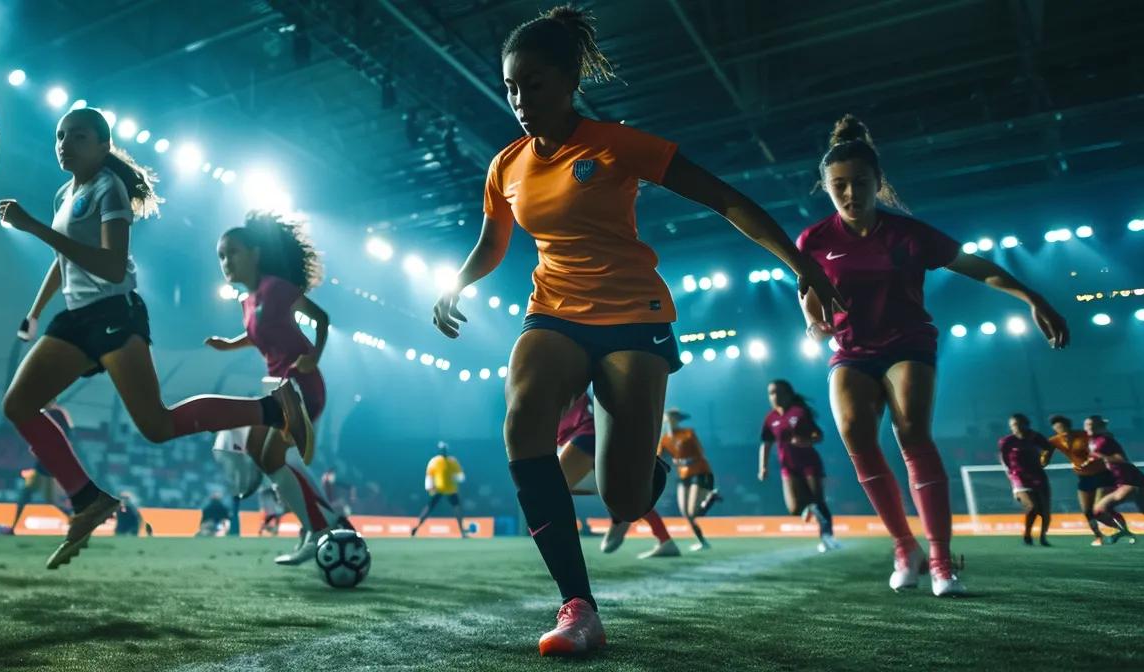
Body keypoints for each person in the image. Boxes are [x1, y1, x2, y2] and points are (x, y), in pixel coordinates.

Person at [429, 5, 844, 656]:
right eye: (511, 86)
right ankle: (578, 606)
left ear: (568, 82)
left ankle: (638, 463)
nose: (519, 99)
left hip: (633, 319)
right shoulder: (505, 165)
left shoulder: (614, 143)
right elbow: (492, 241)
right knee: (522, 419)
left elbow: (725, 197)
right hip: (555, 311)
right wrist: (457, 282)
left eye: (533, 84)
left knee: (625, 501)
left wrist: (803, 265)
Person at [0, 108, 313, 570]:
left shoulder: (109, 187)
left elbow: (108, 265)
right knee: (17, 404)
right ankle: (87, 500)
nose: (65, 143)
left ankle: (274, 409)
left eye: (78, 136)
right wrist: (35, 310)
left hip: (114, 313)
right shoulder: (67, 193)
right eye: (61, 136)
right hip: (75, 318)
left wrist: (35, 229)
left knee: (157, 426)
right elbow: (61, 261)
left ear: (103, 145)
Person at [799, 114, 1069, 597]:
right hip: (850, 349)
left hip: (907, 343)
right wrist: (813, 322)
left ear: (878, 183)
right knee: (855, 435)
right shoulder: (814, 240)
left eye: (860, 183)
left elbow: (976, 267)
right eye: (838, 185)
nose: (850, 193)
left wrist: (1034, 299)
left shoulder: (910, 235)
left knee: (911, 433)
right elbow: (809, 291)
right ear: (826, 187)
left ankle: (943, 563)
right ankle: (906, 548)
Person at [206, 210, 350, 564]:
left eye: (233, 252)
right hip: (279, 388)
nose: (226, 261)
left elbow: (321, 319)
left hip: (302, 385)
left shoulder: (277, 287)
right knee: (259, 451)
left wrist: (314, 355)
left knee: (272, 457)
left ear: (255, 253)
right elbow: (258, 334)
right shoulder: (247, 302)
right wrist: (229, 344)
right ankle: (322, 521)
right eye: (222, 256)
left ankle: (318, 527)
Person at [554, 392, 675, 557]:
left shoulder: (558, 379)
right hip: (588, 439)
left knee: (549, 489)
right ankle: (661, 537)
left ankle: (562, 556)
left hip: (584, 438)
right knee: (620, 489)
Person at [760, 380, 841, 554]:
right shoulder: (770, 418)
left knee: (819, 500)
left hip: (809, 463)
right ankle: (810, 508)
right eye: (771, 393)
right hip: (787, 467)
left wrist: (806, 441)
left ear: (788, 394)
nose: (774, 397)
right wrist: (763, 467)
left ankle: (827, 537)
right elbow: (766, 444)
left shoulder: (800, 412)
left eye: (778, 392)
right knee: (794, 509)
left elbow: (818, 435)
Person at [1043, 415, 1132, 545]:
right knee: (1087, 511)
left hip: (1102, 474)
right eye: (1057, 427)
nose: (1061, 429)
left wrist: (1106, 433)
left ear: (1068, 426)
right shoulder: (1054, 441)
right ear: (1054, 429)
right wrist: (1041, 462)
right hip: (1084, 478)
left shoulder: (1084, 434)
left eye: (1063, 426)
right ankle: (1099, 536)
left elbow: (1104, 438)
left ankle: (1123, 529)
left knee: (1099, 510)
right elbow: (1045, 457)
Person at [659, 408, 719, 550]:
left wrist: (683, 461)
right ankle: (702, 542)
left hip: (699, 471)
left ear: (678, 420)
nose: (670, 420)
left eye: (674, 417)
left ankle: (711, 498)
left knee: (692, 511)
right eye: (668, 417)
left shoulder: (688, 433)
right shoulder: (665, 439)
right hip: (683, 475)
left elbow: (700, 453)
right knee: (686, 513)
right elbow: (660, 457)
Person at [8, 403, 72, 533]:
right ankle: (13, 528)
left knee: (51, 500)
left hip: (50, 463)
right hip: (41, 463)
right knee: (26, 494)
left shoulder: (58, 413)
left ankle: (76, 521)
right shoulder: (41, 413)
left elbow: (67, 435)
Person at [998, 414, 1055, 546]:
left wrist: (1046, 459)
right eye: (1012, 425)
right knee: (1032, 506)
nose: (1015, 427)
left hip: (1038, 476)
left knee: (1044, 510)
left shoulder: (1035, 437)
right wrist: (1010, 474)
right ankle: (1027, 535)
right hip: (1019, 478)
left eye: (1017, 424)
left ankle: (1043, 537)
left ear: (1026, 424)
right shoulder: (1007, 441)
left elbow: (1049, 447)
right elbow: (1004, 459)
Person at [413, 442, 469, 538]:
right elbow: (429, 476)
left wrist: (454, 477)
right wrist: (429, 487)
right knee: (429, 508)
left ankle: (462, 532)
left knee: (457, 509)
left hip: (450, 489)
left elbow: (461, 477)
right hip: (438, 489)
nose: (443, 452)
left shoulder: (452, 461)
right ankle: (416, 527)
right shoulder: (435, 461)